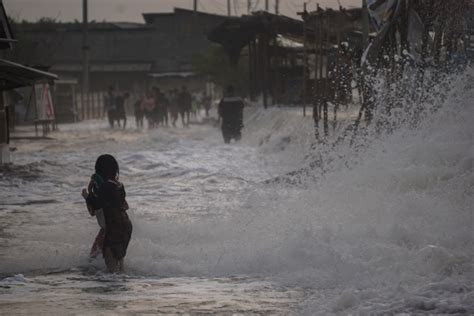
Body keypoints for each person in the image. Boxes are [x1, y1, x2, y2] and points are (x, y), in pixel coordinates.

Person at [82, 154, 132, 273]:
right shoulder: (118, 186)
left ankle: (113, 285)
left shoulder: (106, 187)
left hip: (112, 229)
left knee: (109, 267)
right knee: (118, 261)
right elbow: (124, 206)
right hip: (125, 227)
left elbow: (95, 207)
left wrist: (87, 196)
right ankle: (121, 282)